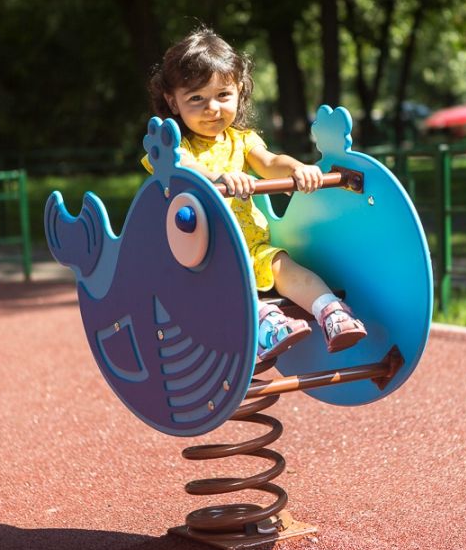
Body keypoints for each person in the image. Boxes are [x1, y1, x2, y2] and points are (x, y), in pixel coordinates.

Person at [143, 27, 366, 361]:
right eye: (196, 99)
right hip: (204, 255)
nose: (212, 108)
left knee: (285, 267)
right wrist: (218, 177)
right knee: (231, 280)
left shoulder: (243, 141)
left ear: (239, 91)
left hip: (253, 244)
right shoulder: (172, 149)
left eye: (223, 95)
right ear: (173, 101)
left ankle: (332, 312)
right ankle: (267, 325)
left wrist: (297, 169)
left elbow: (270, 162)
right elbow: (182, 169)